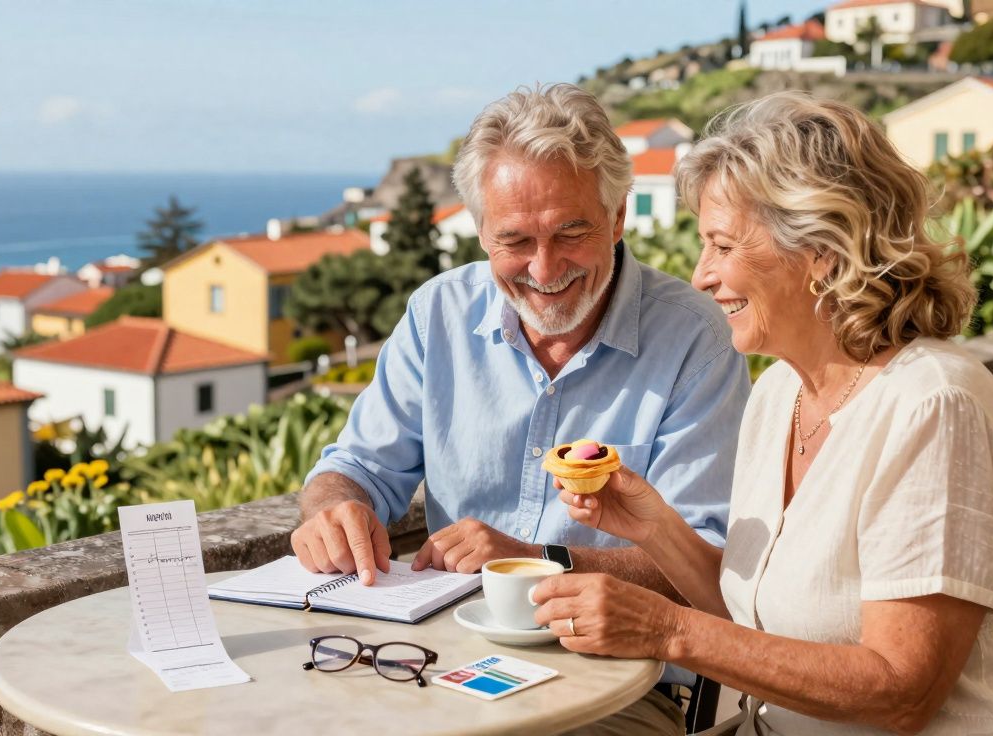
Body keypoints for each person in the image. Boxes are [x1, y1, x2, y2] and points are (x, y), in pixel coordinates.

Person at [533, 90, 993, 734]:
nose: (701, 275)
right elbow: (757, 621)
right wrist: (655, 528)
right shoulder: (779, 393)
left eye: (722, 246)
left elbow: (903, 692)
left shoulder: (934, 408)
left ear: (821, 250)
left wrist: (667, 630)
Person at [290, 83, 751, 734]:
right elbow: (355, 468)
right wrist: (333, 509)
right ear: (481, 232)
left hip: (618, 689)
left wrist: (535, 559)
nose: (544, 267)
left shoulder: (696, 340)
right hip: (441, 664)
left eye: (571, 232)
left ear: (618, 216)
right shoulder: (437, 313)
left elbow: (707, 565)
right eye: (515, 241)